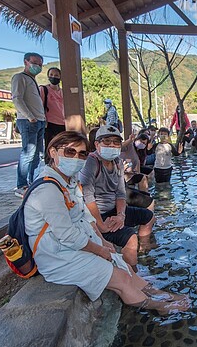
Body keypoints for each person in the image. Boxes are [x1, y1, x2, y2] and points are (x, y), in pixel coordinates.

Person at [24, 131, 188, 315]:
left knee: (122, 265)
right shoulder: (47, 190)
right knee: (121, 278)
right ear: (53, 152)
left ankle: (156, 293)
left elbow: (86, 216)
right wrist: (99, 249)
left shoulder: (69, 182)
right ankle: (157, 306)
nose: (77, 158)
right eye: (70, 152)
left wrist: (103, 240)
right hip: (57, 255)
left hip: (76, 242)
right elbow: (68, 235)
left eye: (81, 154)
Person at [79, 126, 156, 270]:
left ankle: (143, 251)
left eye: (116, 142)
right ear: (97, 144)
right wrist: (101, 225)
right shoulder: (91, 162)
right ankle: (133, 274)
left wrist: (121, 215)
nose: (112, 145)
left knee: (149, 216)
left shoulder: (117, 162)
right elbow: (87, 197)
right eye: (107, 141)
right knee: (131, 238)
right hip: (96, 217)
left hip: (114, 212)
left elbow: (120, 193)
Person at [12, 52, 46, 198]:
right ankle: (21, 185)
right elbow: (17, 99)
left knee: (38, 154)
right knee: (28, 153)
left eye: (40, 64)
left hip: (39, 120)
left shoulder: (32, 80)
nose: (37, 66)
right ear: (26, 62)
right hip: (29, 121)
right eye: (34, 62)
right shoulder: (19, 78)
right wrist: (30, 117)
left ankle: (32, 182)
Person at [40, 67, 65, 154]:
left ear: (60, 77)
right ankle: (49, 165)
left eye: (56, 75)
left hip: (63, 123)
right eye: (51, 75)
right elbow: (40, 106)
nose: (53, 77)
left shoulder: (63, 92)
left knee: (62, 147)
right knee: (50, 148)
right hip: (50, 124)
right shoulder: (44, 90)